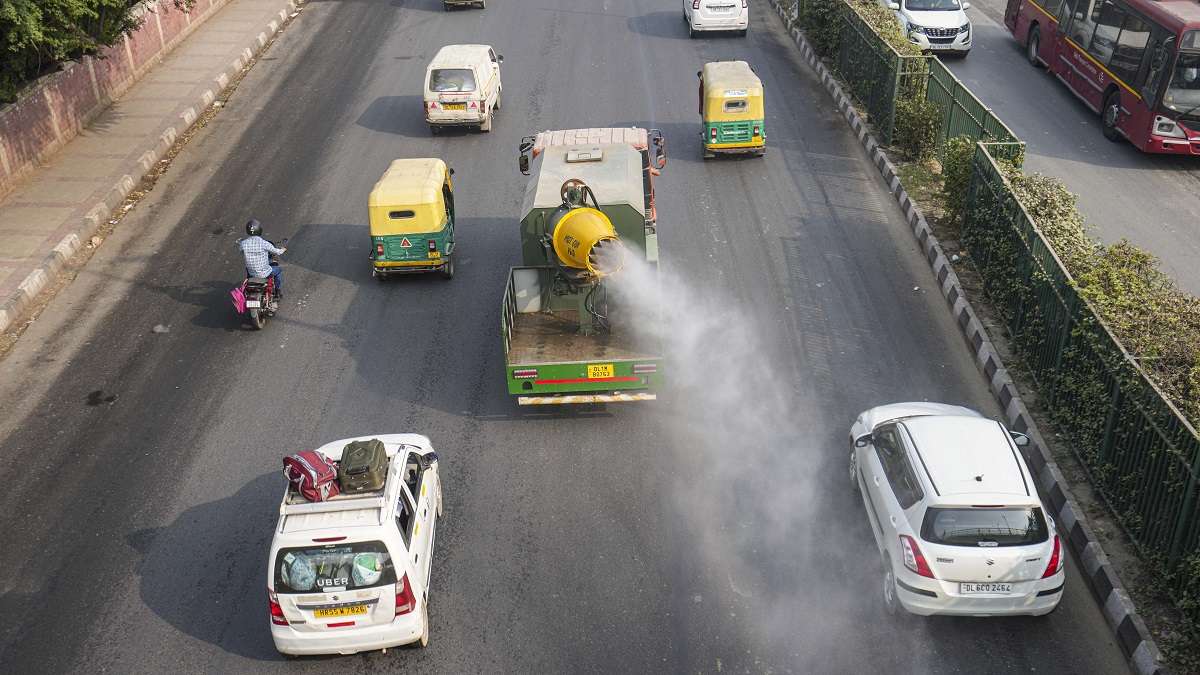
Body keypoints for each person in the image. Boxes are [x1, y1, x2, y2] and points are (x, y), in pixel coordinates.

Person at [238, 219, 286, 299]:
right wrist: (283, 249)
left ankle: (249, 281)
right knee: (278, 270)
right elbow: (277, 252)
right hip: (264, 273)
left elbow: (241, 251)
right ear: (259, 230)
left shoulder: (243, 244)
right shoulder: (264, 243)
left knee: (247, 268)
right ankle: (277, 291)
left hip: (251, 273)